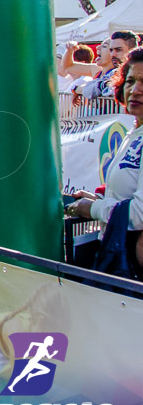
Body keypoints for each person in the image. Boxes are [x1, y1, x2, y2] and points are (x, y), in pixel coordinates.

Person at [67, 46, 143, 279]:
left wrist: (94, 209)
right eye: (130, 81)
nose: (136, 90)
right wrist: (100, 199)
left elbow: (139, 213)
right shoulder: (135, 132)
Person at [72, 31, 138, 102]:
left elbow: (112, 91)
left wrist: (105, 86)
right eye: (111, 50)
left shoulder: (138, 71)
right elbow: (89, 89)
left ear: (132, 51)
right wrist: (104, 85)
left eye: (118, 50)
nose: (113, 54)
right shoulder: (114, 72)